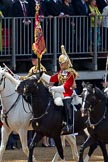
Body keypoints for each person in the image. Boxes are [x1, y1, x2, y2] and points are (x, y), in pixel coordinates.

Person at [41, 45, 79, 134]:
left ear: (66, 63)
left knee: (66, 101)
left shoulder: (71, 73)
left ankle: (69, 124)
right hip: (59, 92)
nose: (60, 65)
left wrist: (53, 88)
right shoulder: (61, 72)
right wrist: (42, 75)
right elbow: (52, 79)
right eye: (59, 63)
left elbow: (65, 87)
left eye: (62, 63)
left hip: (68, 93)